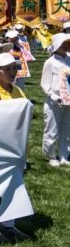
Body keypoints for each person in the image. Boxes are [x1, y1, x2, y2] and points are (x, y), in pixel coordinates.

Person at [0, 53, 32, 242]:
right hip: (1, 148)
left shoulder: (16, 90)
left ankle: (9, 225)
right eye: (7, 69)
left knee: (14, 186)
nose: (12, 72)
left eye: (14, 68)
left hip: (16, 145)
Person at [40, 33, 70, 167]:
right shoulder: (50, 62)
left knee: (67, 128)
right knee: (52, 129)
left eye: (67, 43)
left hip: (68, 101)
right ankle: (51, 155)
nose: (66, 46)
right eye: (63, 43)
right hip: (54, 102)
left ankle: (64, 155)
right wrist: (54, 96)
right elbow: (44, 84)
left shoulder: (69, 59)